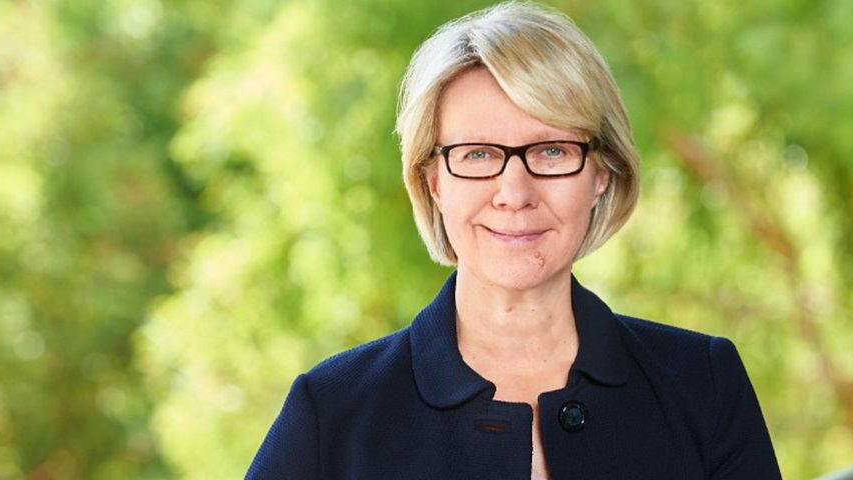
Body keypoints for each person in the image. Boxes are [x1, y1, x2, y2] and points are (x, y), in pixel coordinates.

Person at [246, 2, 781, 479]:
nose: (514, 193)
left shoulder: (702, 384)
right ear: (433, 181)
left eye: (551, 151)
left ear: (601, 174)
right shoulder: (334, 412)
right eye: (478, 154)